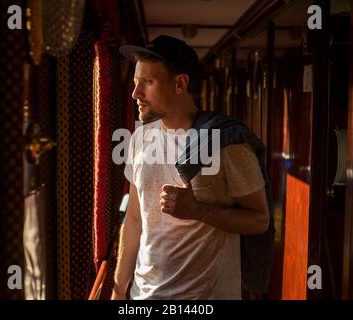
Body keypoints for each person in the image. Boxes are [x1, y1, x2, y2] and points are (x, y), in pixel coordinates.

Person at [111, 35, 273, 300]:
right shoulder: (140, 138)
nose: (135, 94)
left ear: (180, 84)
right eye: (135, 83)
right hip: (143, 296)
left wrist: (198, 211)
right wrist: (118, 290)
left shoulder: (226, 142)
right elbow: (134, 218)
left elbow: (260, 220)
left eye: (147, 83)